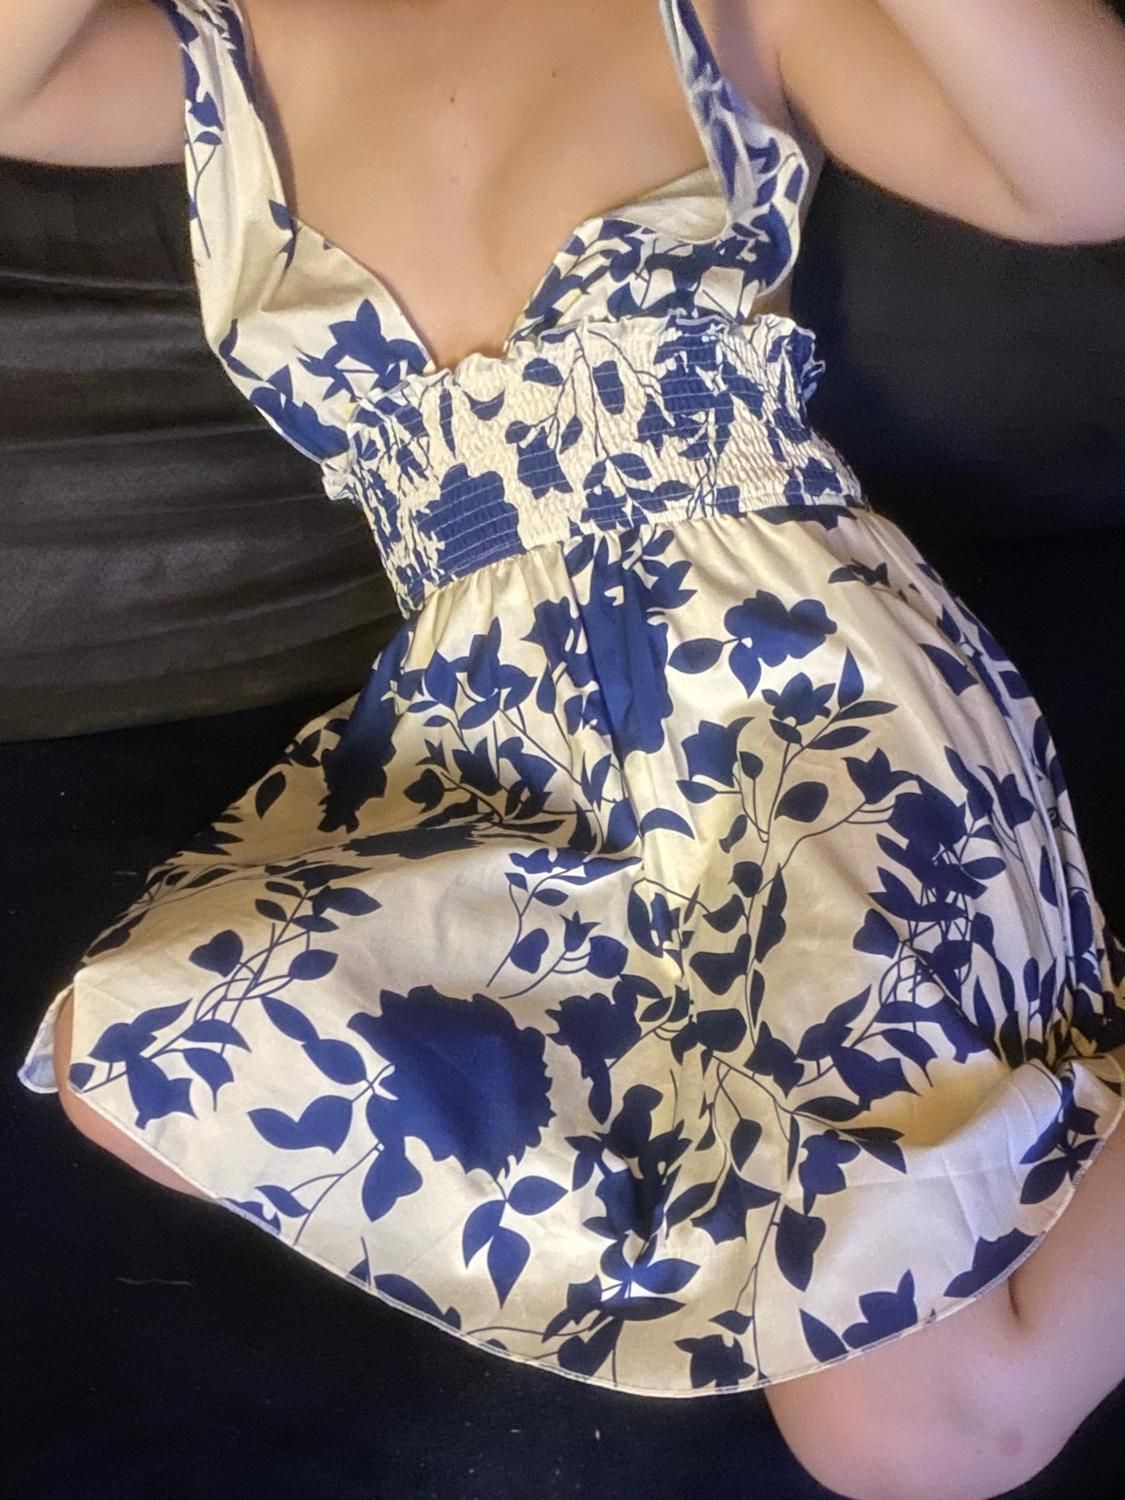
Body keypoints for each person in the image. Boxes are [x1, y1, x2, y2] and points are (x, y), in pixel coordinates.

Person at [6, 2, 1125, 1495]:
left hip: (793, 704)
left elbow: (1092, 170)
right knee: (134, 1053)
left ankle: (763, 1168)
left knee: (911, 1438)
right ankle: (706, 1178)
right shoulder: (214, 52)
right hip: (489, 762)